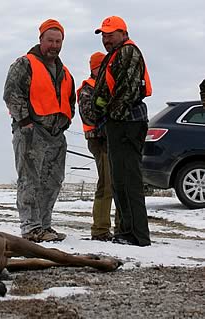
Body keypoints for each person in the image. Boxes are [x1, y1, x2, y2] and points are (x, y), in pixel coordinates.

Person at [3, 19, 76, 242]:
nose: (54, 45)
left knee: (53, 181)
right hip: (31, 133)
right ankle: (30, 227)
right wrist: (25, 122)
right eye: (50, 40)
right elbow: (12, 94)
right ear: (40, 39)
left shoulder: (65, 72)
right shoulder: (24, 64)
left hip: (56, 135)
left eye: (58, 41)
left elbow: (70, 101)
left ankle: (44, 225)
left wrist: (65, 122)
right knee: (29, 180)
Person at [92, 16, 152, 246]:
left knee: (128, 179)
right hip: (119, 124)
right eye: (104, 35)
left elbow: (126, 91)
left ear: (123, 33)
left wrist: (110, 115)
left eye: (110, 34)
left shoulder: (128, 52)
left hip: (127, 124)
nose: (106, 39)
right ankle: (127, 231)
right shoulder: (116, 54)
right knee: (120, 179)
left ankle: (137, 235)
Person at [77, 52, 119, 241]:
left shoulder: (111, 85)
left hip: (114, 140)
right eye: (99, 66)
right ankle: (100, 230)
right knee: (107, 184)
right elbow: (88, 115)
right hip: (99, 140)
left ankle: (121, 227)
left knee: (118, 184)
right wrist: (106, 108)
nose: (103, 69)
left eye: (106, 65)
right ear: (92, 68)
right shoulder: (88, 89)